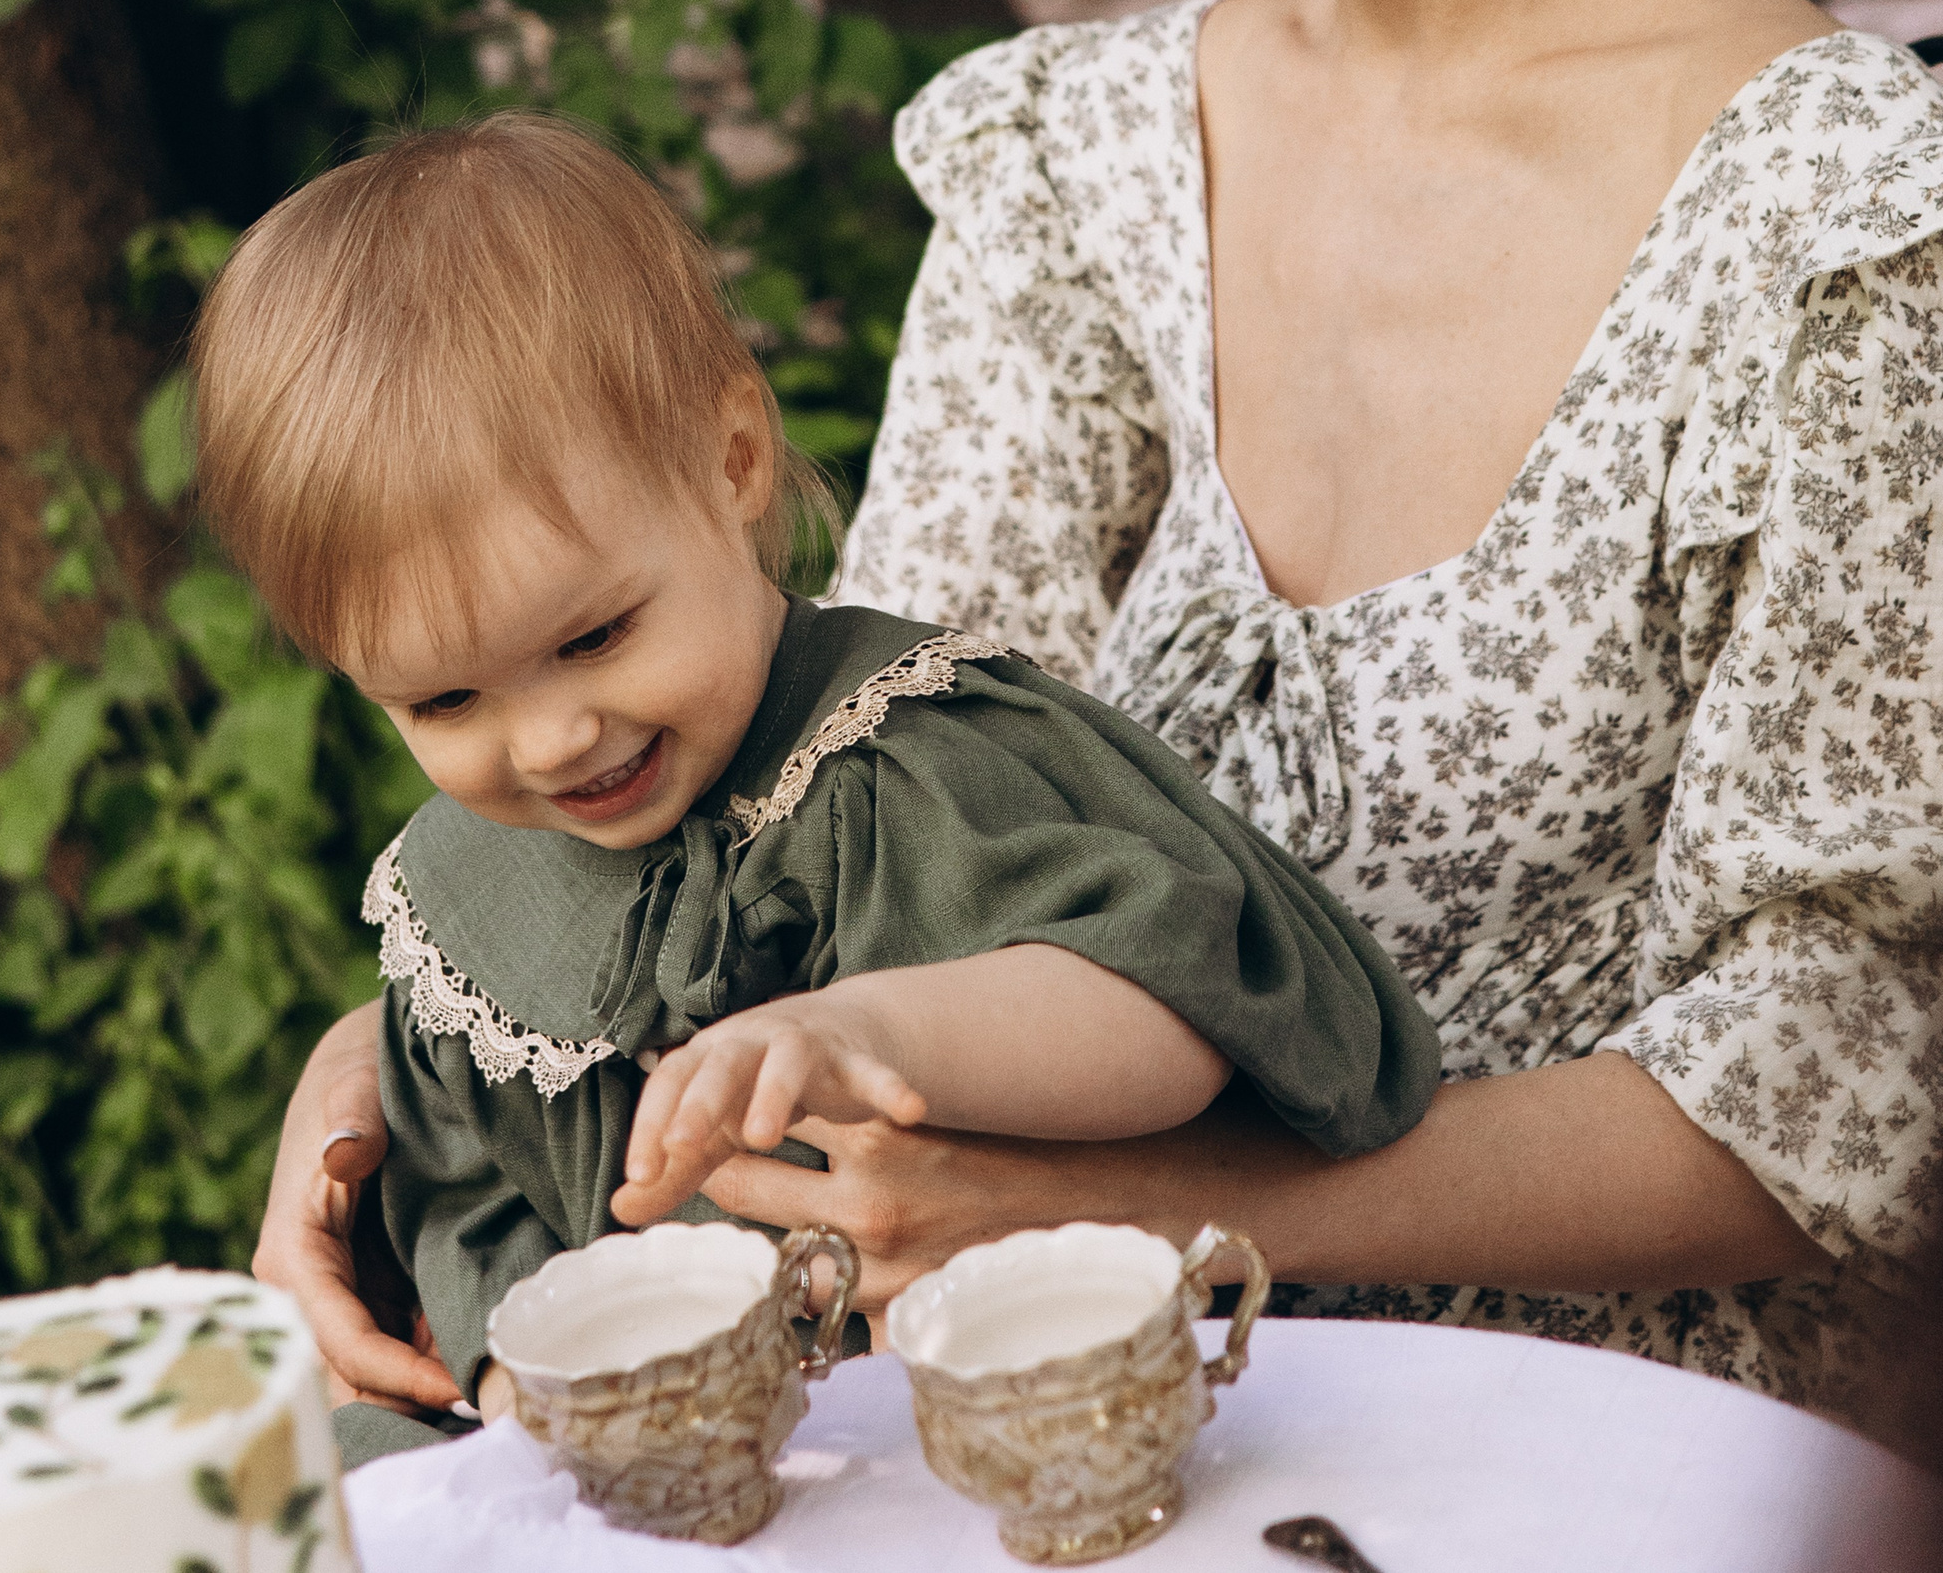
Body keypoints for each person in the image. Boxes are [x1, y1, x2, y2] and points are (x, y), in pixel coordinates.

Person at [255, 0, 1943, 1441]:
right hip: (1035, 1400)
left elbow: (1843, 1090)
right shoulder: (1085, 156)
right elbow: (801, 812)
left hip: (1577, 1425)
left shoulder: (1846, 224)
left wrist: (1181, 1209)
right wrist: (419, 1056)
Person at [190, 115, 1442, 1462]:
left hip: (983, 1430)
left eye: (595, 637)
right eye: (443, 701)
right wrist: (512, 1374)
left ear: (730, 463)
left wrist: (880, 1032)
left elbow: (1172, 999)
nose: (549, 741)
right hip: (679, 1470)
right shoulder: (472, 896)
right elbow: (464, 1198)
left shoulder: (898, 764)